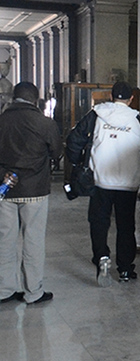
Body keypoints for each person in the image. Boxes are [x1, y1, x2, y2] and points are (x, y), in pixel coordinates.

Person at [67, 81, 140, 284]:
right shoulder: (138, 119)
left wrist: (78, 162)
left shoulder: (96, 115)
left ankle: (102, 258)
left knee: (99, 222)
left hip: (100, 181)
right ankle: (125, 269)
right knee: (125, 226)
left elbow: (74, 140)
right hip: (128, 183)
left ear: (111, 96)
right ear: (131, 99)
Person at [0, 82, 62, 305]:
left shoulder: (2, 120)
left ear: (13, 98)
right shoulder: (45, 124)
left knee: (5, 240)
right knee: (33, 241)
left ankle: (4, 290)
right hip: (35, 190)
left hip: (5, 190)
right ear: (36, 100)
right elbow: (56, 152)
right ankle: (33, 292)